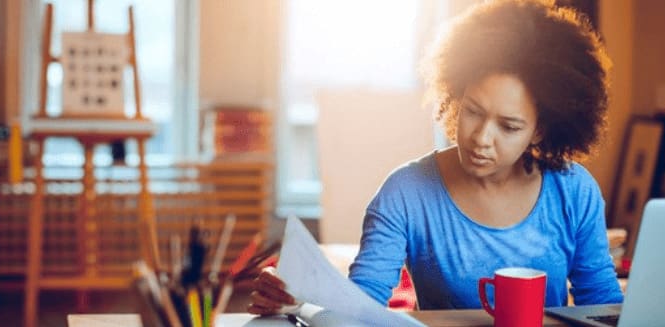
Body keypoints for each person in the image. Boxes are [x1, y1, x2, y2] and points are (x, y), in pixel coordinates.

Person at [249, 0, 624, 314]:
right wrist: (298, 303)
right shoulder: (405, 193)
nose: (481, 138)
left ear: (540, 130)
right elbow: (361, 306)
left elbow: (602, 304)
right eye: (473, 111)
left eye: (508, 127)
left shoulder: (573, 192)